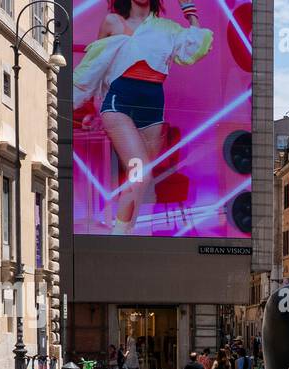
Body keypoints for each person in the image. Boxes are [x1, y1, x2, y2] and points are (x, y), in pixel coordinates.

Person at [74, 0, 214, 235]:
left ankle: (126, 232)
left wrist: (189, 11)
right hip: (119, 102)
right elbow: (94, 67)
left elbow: (196, 46)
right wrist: (91, 108)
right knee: (140, 173)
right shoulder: (112, 22)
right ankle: (118, 235)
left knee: (141, 180)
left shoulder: (167, 29)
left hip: (153, 108)